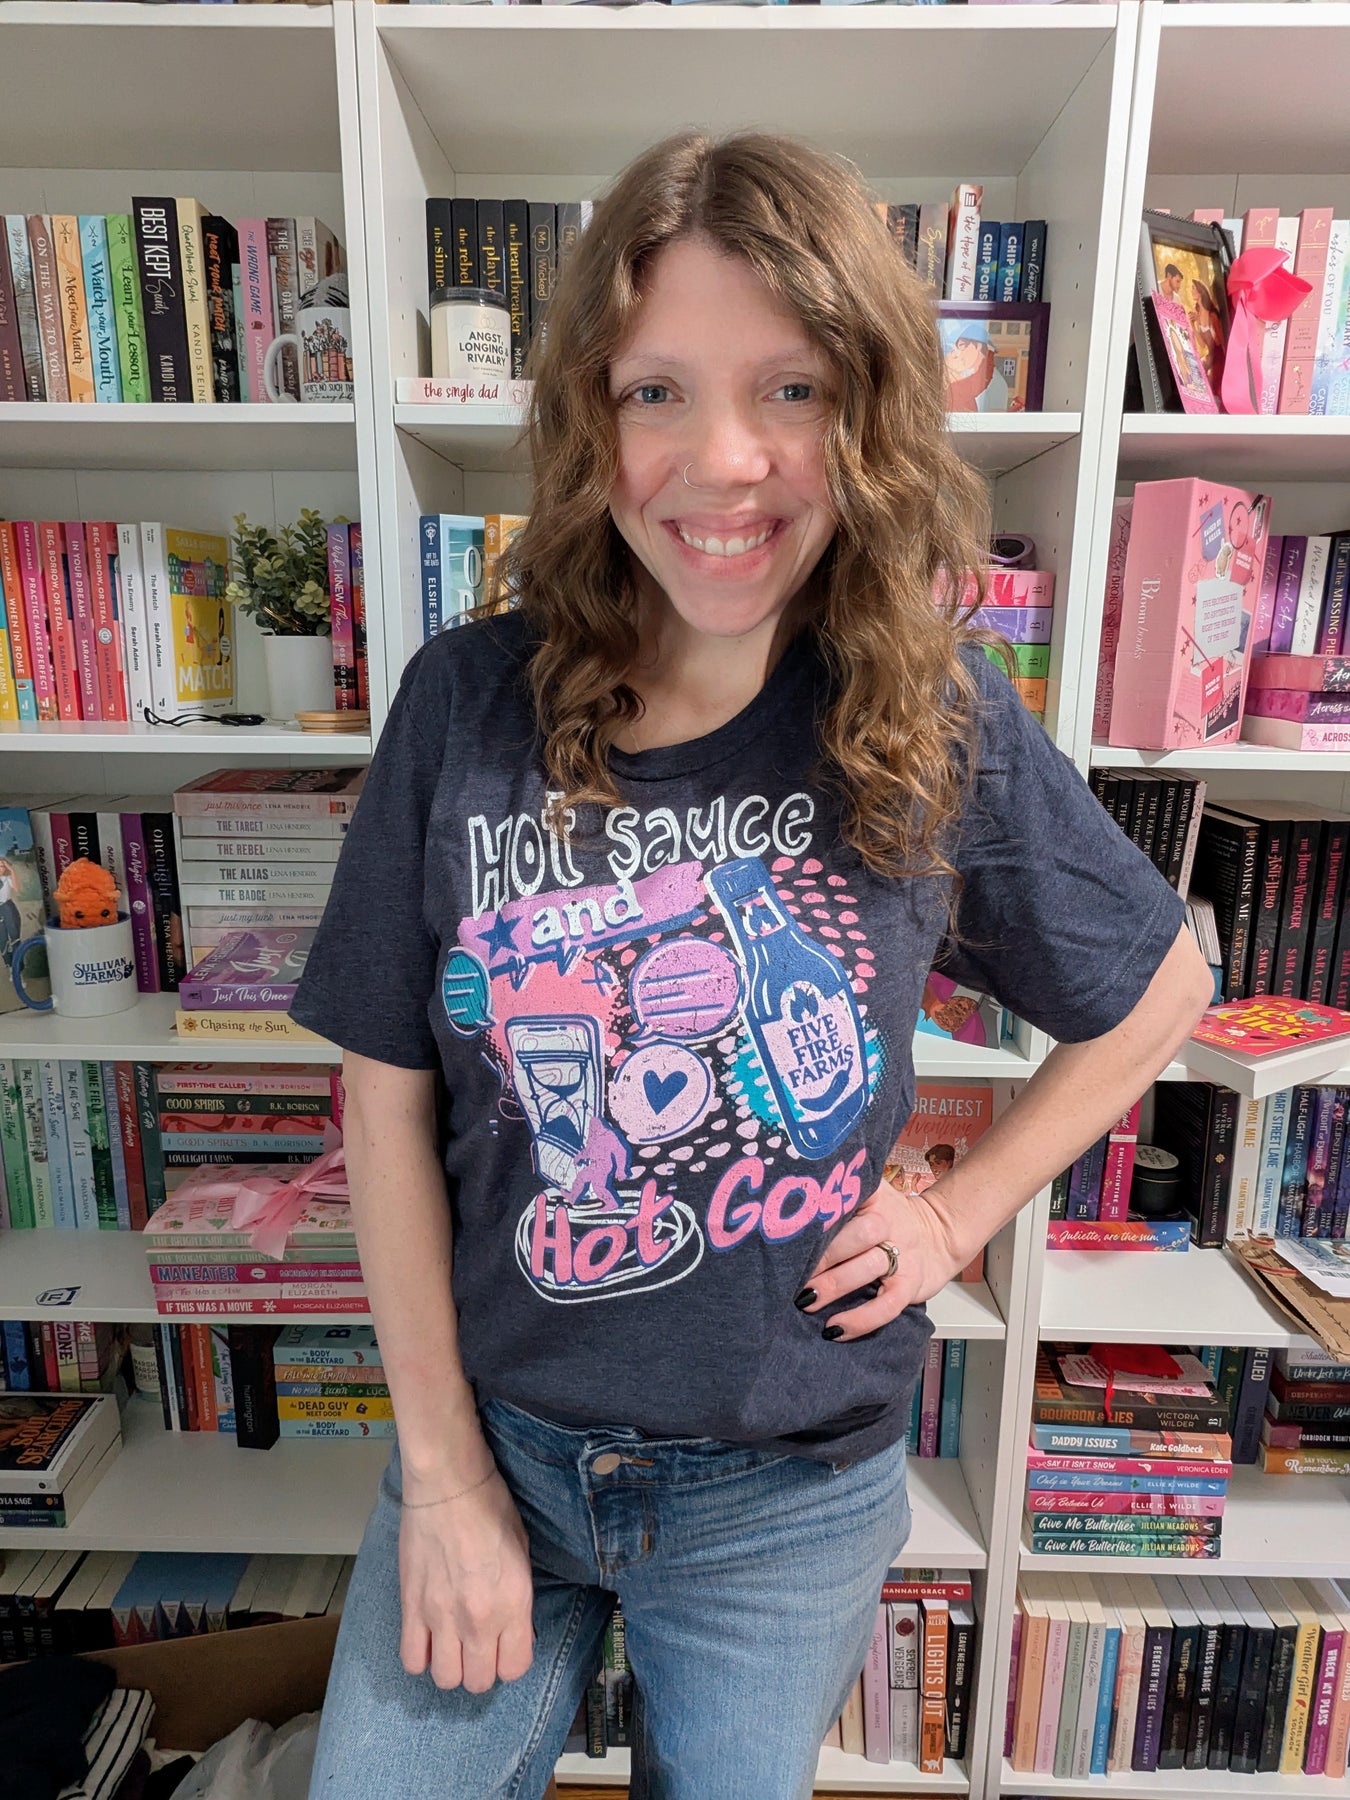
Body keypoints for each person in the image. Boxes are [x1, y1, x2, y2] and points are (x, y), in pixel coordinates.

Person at [293, 130, 1213, 1800]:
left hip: (783, 1498)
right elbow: (383, 1102)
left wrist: (958, 1213)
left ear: (868, 417)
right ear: (591, 419)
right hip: (494, 1445)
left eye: (789, 389)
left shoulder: (928, 716)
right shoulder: (464, 704)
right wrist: (442, 1478)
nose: (722, 462)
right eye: (656, 391)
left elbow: (1159, 989)